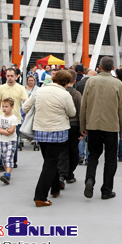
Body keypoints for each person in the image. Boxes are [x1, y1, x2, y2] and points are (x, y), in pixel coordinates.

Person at [22, 70, 76, 207]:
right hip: (57, 130)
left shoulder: (39, 91)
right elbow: (72, 112)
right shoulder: (65, 94)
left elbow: (25, 107)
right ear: (66, 82)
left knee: (49, 160)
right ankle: (40, 196)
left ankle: (56, 187)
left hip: (40, 129)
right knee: (51, 163)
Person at [80, 56, 122, 200]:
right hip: (111, 126)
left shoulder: (91, 82)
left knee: (93, 154)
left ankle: (90, 179)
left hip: (93, 124)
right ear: (113, 68)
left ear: (99, 67)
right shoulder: (117, 84)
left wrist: (83, 125)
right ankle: (106, 190)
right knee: (110, 158)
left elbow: (84, 105)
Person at [0, 68, 28, 171]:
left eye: (11, 76)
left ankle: (13, 160)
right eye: (7, 76)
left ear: (16, 76)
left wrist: (25, 114)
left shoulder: (21, 88)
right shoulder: (1, 88)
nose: (9, 78)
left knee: (14, 140)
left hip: (16, 118)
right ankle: (2, 162)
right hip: (3, 118)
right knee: (3, 139)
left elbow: (25, 101)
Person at [58, 69, 82, 187]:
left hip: (61, 124)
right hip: (74, 124)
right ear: (75, 80)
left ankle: (61, 174)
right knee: (73, 150)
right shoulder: (76, 94)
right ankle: (69, 173)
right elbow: (80, 112)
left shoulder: (59, 93)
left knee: (63, 150)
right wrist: (82, 129)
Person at [0, 97, 18, 185]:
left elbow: (11, 131)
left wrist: (1, 130)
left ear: (12, 107)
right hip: (2, 140)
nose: (4, 108)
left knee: (9, 157)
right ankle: (6, 172)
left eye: (6, 106)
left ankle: (7, 174)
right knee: (4, 158)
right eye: (3, 106)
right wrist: (3, 131)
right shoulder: (0, 117)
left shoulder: (13, 118)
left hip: (11, 140)